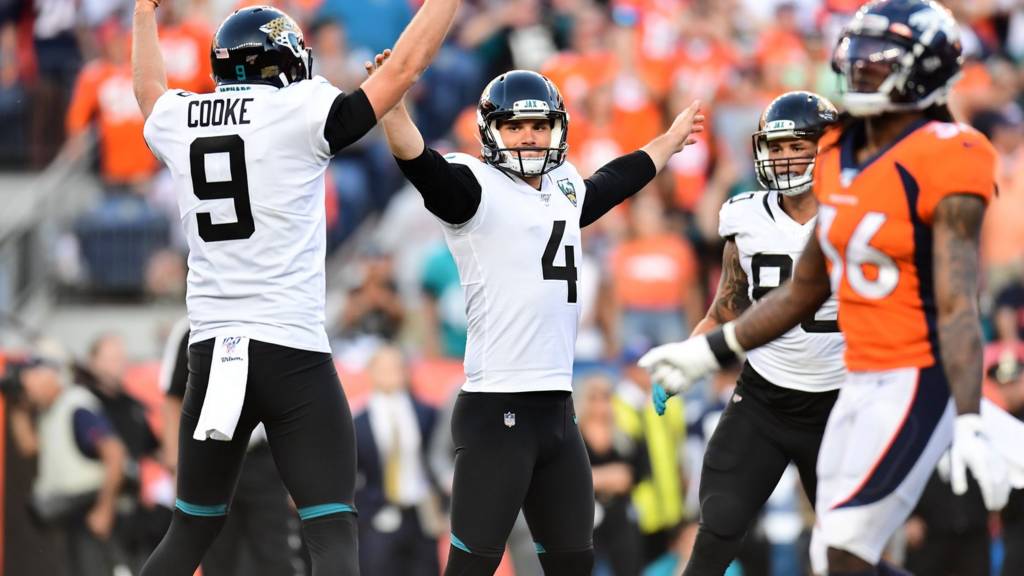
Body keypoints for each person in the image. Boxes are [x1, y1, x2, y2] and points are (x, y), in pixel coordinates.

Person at [639, 1, 1018, 574]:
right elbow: (783, 294)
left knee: (860, 552)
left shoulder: (948, 154)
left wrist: (968, 413)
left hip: (893, 385)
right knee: (792, 545)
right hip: (803, 391)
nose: (861, 70)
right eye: (858, 57)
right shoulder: (828, 168)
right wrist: (705, 349)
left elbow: (959, 302)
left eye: (878, 60)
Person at [131, 0, 460, 573]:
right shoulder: (300, 107)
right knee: (331, 526)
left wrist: (141, 11)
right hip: (290, 349)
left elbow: (147, 93)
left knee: (190, 530)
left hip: (213, 350)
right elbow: (404, 69)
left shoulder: (182, 118)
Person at [367, 56, 704, 575]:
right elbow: (419, 161)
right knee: (471, 567)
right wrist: (392, 103)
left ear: (557, 130)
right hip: (496, 410)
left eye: (539, 125)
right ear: (491, 131)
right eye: (515, 125)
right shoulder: (474, 188)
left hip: (556, 414)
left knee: (574, 564)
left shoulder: (563, 188)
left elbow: (615, 180)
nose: (528, 136)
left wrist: (668, 141)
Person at [675, 90, 845, 575]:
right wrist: (687, 356)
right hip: (764, 398)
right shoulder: (745, 213)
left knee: (847, 550)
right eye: (776, 147)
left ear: (827, 148)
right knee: (717, 530)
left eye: (797, 146)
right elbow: (727, 305)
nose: (784, 157)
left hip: (840, 403)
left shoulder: (855, 213)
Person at [159, 317, 307, 576]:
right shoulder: (193, 327)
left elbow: (295, 405)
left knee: (276, 555)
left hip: (263, 458)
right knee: (218, 555)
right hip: (211, 454)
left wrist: (300, 475)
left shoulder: (273, 323)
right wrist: (176, 466)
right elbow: (173, 399)